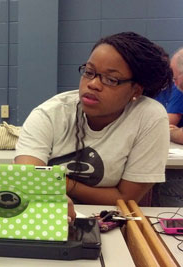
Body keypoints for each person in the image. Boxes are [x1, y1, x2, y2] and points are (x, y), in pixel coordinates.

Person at [15, 32, 173, 205]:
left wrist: (61, 183)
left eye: (111, 79)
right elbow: (28, 180)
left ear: (135, 91)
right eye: (89, 72)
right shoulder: (50, 114)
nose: (93, 84)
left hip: (111, 221)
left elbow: (126, 198)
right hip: (48, 220)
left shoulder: (149, 117)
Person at [152, 47, 183, 207]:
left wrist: (173, 132)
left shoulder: (176, 91)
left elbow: (163, 124)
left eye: (175, 77)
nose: (175, 83)